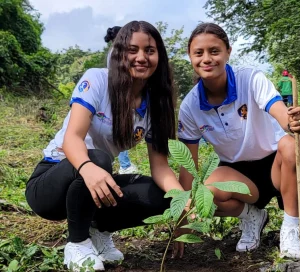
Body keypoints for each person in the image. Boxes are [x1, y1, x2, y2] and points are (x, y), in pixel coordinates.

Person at [25, 21, 183, 271]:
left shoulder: (157, 105)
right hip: (52, 182)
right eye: (133, 50)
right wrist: (88, 167)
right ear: (119, 53)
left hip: (96, 180)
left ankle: (98, 230)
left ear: (159, 56)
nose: (141, 57)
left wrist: (181, 202)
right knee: (98, 159)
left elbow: (161, 167)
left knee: (164, 196)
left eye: (150, 51)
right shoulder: (97, 80)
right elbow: (72, 139)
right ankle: (77, 244)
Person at [176, 23, 300, 259]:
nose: (207, 59)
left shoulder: (250, 79)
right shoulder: (189, 106)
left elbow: (279, 111)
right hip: (237, 175)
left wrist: (292, 122)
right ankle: (252, 217)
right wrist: (182, 216)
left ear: (228, 52)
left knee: (295, 146)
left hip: (276, 165)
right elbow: (188, 165)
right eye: (199, 53)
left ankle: (290, 226)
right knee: (204, 194)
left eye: (214, 51)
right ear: (190, 57)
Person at [105, 26, 139, 174]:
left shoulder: (112, 52)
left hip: (119, 97)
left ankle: (122, 164)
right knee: (120, 132)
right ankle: (124, 165)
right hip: (120, 98)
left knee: (119, 131)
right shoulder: (118, 53)